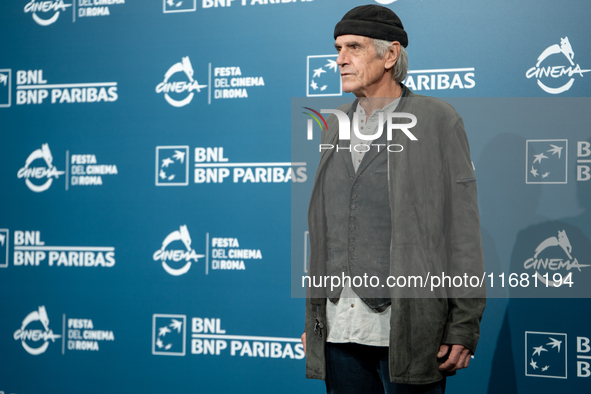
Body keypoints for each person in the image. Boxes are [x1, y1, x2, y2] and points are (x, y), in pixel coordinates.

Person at [301, 5, 486, 393]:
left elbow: (463, 233)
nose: (340, 59)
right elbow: (329, 231)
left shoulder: (437, 119)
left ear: (390, 54)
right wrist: (316, 319)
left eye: (354, 47)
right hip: (340, 330)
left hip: (409, 332)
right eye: (337, 48)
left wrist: (464, 324)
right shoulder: (333, 125)